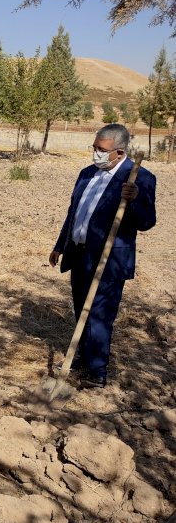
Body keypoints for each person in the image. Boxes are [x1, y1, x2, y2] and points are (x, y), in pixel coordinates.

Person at [49, 124, 156, 389]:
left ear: (119, 153)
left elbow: (147, 222)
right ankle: (80, 357)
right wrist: (60, 245)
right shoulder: (87, 174)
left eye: (102, 150)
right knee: (80, 308)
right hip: (79, 253)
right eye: (94, 148)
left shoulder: (139, 178)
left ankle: (97, 371)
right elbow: (74, 213)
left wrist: (135, 201)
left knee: (99, 314)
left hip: (110, 259)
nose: (96, 153)